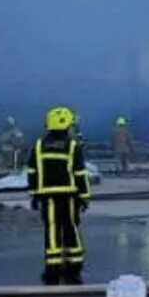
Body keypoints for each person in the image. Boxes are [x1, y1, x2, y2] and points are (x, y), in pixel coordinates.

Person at [28, 106, 92, 284]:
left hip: (46, 196)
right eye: (71, 125)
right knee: (71, 227)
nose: (72, 128)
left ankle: (52, 268)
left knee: (52, 229)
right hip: (69, 196)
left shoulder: (39, 145)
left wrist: (33, 194)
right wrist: (85, 197)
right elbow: (80, 174)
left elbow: (32, 171)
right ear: (65, 126)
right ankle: (74, 266)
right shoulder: (72, 146)